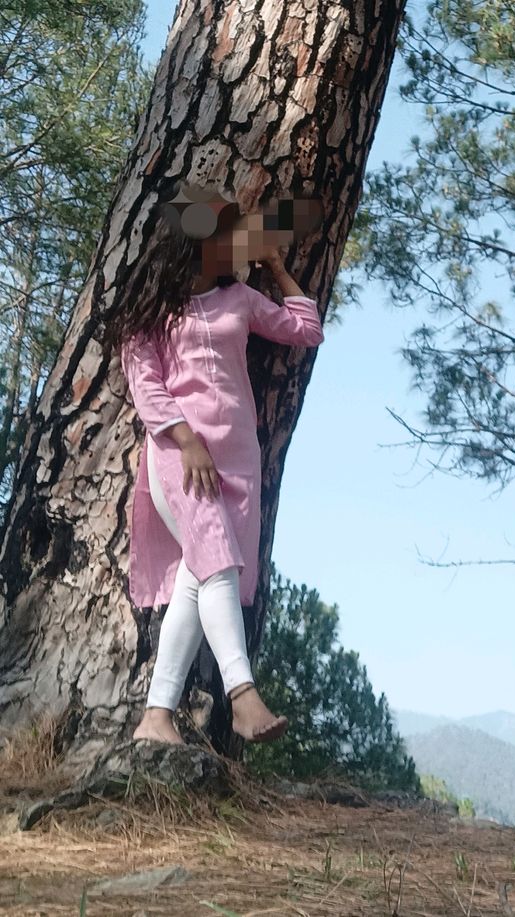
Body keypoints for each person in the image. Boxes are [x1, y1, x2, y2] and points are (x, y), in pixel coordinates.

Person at [102, 181, 324, 744]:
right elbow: (146, 384)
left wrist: (276, 266)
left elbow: (306, 329)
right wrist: (186, 439)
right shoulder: (150, 309)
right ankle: (243, 697)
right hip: (181, 456)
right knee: (218, 565)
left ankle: (156, 717)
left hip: (239, 460)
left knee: (198, 580)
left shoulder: (239, 299)